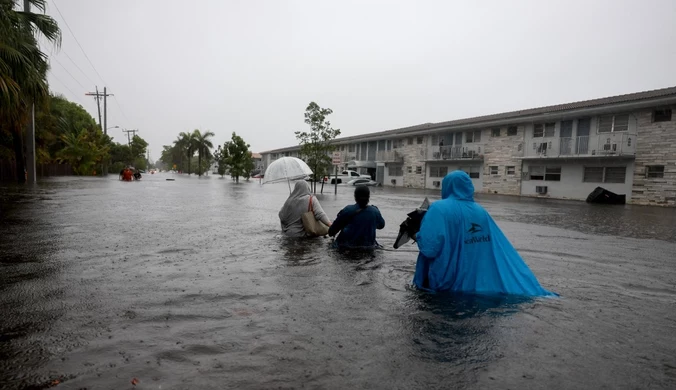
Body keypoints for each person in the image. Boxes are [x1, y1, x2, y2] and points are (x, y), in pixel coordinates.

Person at [413, 170, 556, 297]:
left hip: (445, 284)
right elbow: (493, 246)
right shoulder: (480, 211)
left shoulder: (438, 208)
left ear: (447, 186)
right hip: (477, 283)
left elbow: (430, 248)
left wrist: (417, 234)